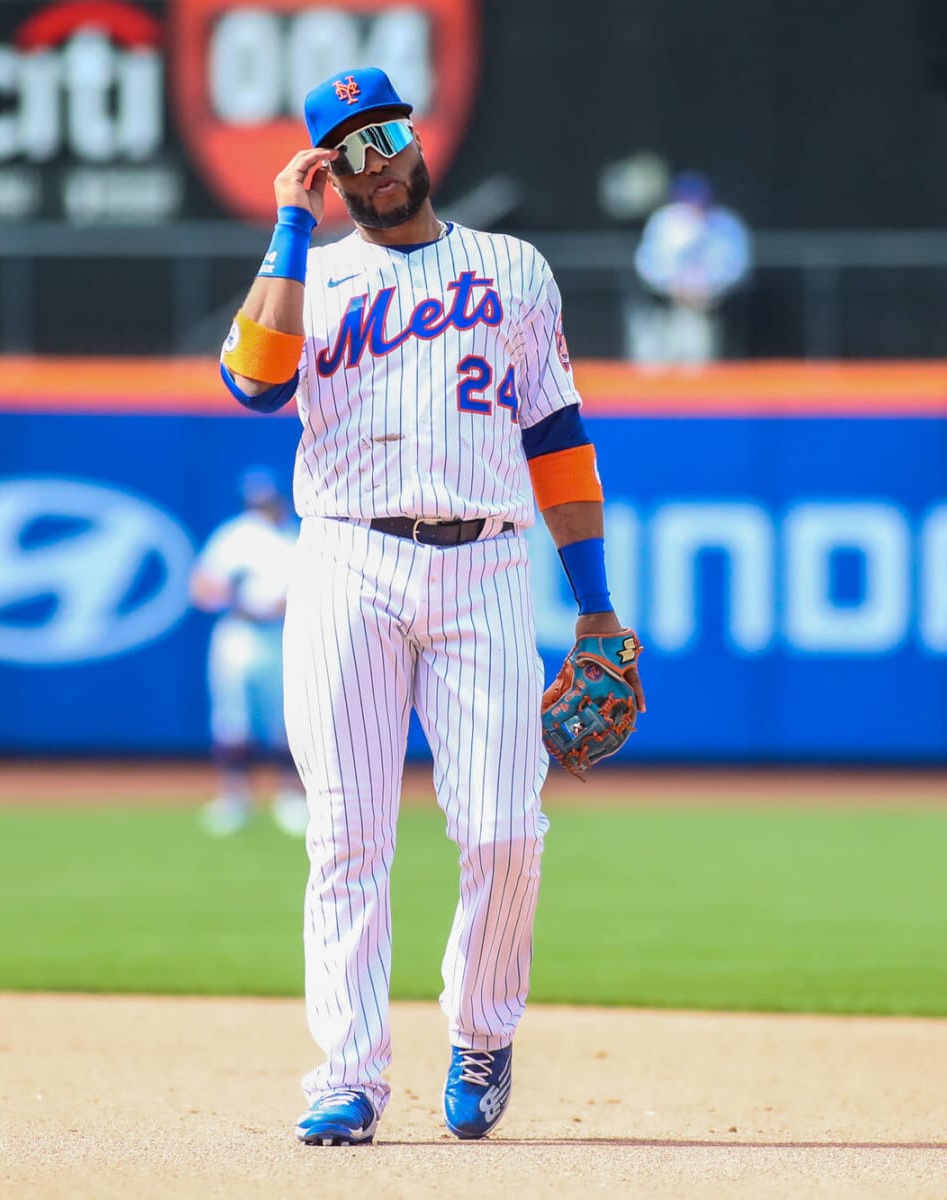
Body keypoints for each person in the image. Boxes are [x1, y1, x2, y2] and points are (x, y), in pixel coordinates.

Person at [215, 66, 645, 1146]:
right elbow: (254, 385)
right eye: (347, 152)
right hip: (347, 563)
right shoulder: (309, 279)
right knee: (347, 835)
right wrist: (285, 225)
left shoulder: (512, 269)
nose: (375, 164)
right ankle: (345, 1076)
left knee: (506, 832)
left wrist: (594, 607)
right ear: (329, 173)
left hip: (487, 566)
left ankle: (483, 1031)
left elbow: (556, 440)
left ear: (417, 141)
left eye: (386, 137)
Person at [189, 468, 306, 838]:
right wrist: (232, 595)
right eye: (256, 502)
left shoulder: (296, 537)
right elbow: (201, 587)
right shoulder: (233, 536)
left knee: (286, 720)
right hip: (239, 633)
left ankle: (290, 798)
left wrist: (282, 606)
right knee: (232, 719)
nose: (262, 508)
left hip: (281, 635)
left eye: (267, 501)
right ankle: (235, 798)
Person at [629, 170, 752, 365]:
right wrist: (672, 284)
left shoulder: (724, 223)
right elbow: (647, 262)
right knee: (659, 359)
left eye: (698, 200)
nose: (693, 205)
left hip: (711, 304)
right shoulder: (665, 222)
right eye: (688, 200)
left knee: (699, 360)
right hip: (666, 302)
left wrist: (708, 286)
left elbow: (736, 265)